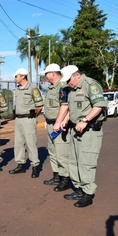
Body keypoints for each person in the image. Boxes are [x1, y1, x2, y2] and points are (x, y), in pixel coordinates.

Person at [60, 65, 107, 208]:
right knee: (74, 161)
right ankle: (79, 189)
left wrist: (85, 120)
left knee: (86, 163)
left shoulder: (90, 85)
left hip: (89, 131)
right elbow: (74, 108)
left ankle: (88, 194)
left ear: (77, 75)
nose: (68, 83)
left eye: (69, 80)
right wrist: (66, 119)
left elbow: (99, 106)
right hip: (75, 130)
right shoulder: (72, 90)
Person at [40, 64, 71, 192]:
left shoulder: (63, 86)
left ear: (53, 73)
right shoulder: (51, 88)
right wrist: (47, 120)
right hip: (51, 124)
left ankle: (65, 179)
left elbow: (67, 105)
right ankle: (56, 176)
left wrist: (63, 121)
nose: (45, 76)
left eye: (46, 73)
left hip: (60, 126)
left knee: (61, 154)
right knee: (52, 152)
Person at [9, 68, 43, 178]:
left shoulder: (32, 88)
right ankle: (20, 165)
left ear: (23, 76)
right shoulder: (17, 89)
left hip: (29, 119)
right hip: (18, 119)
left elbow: (39, 106)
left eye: (16, 76)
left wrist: (33, 116)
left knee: (31, 143)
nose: (15, 78)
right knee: (18, 144)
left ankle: (35, 166)